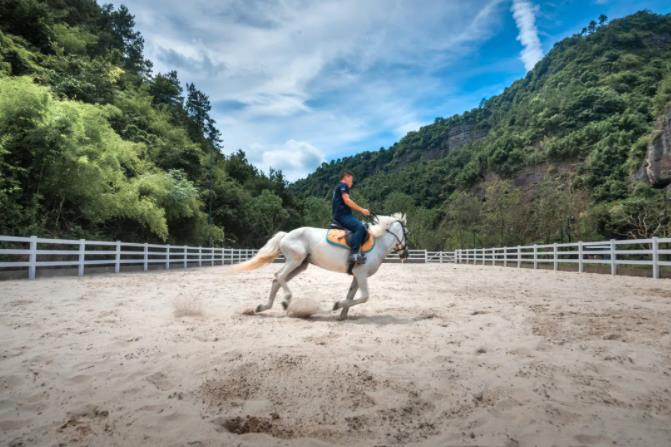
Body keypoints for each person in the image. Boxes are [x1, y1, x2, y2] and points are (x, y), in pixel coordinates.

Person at [331, 171, 370, 264]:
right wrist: (362, 210)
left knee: (362, 226)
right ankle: (353, 254)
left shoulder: (338, 187)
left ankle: (360, 251)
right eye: (351, 180)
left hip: (342, 215)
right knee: (360, 227)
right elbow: (347, 201)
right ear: (346, 177)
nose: (352, 182)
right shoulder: (343, 186)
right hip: (342, 216)